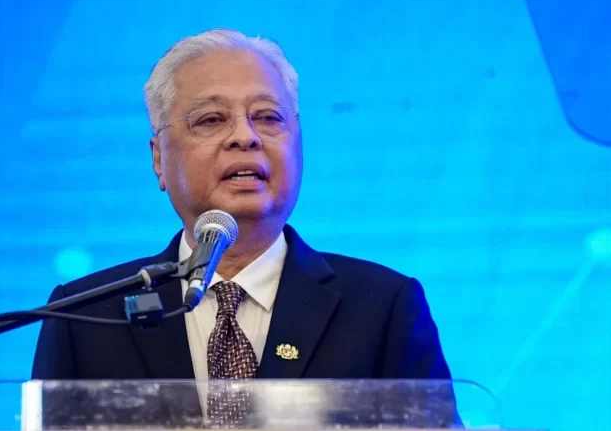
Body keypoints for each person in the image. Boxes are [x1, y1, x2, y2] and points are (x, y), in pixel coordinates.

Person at [31, 30, 454, 420]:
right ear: (159, 158)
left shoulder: (383, 308)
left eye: (268, 117)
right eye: (211, 119)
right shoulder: (84, 317)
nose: (245, 137)